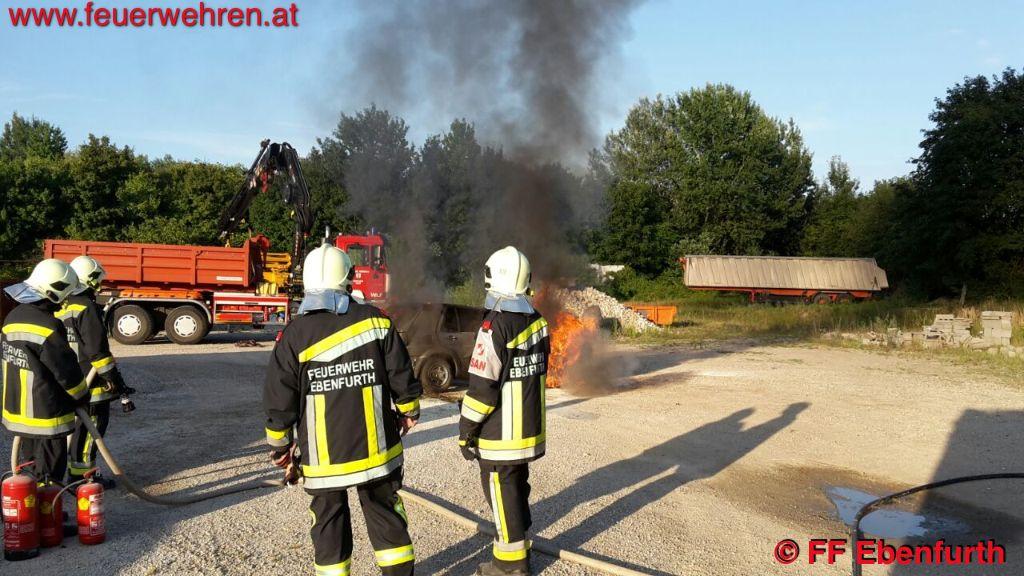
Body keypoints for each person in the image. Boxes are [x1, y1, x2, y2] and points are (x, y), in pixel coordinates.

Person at [264, 244, 422, 576]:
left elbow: (279, 399)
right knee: (387, 519)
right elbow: (401, 373)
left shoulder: (294, 335)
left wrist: (280, 448)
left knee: (328, 526)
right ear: (348, 279)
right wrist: (409, 411)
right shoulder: (376, 321)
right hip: (377, 453)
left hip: (324, 461)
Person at [458, 246, 549, 576]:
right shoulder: (539, 322)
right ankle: (521, 548)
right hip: (529, 430)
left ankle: (510, 567)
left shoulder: (494, 327)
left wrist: (466, 431)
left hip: (500, 438)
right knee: (517, 489)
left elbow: (482, 390)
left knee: (502, 495)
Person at [2, 259, 88, 482]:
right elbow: (66, 371)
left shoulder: (12, 318)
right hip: (46, 414)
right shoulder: (48, 325)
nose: (66, 300)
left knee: (30, 469)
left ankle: (32, 501)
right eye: (66, 294)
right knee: (49, 476)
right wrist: (82, 396)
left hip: (19, 414)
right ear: (55, 290)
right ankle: (47, 502)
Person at [59, 255, 131, 486]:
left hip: (68, 379)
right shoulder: (87, 307)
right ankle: (82, 478)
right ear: (90, 280)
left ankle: (68, 474)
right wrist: (114, 380)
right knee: (90, 430)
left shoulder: (61, 304)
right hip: (91, 383)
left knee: (75, 429)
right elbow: (98, 351)